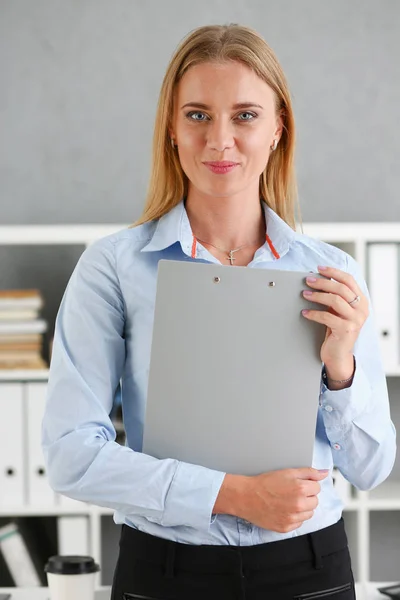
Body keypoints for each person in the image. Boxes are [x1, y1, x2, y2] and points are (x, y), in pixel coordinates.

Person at [42, 24, 396, 600]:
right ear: (171, 131)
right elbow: (70, 454)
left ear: (279, 128)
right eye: (198, 115)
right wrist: (231, 494)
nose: (220, 140)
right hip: (165, 572)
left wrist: (340, 369)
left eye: (246, 115)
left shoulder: (333, 275)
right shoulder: (112, 268)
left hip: (310, 569)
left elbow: (371, 468)